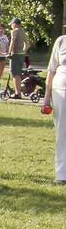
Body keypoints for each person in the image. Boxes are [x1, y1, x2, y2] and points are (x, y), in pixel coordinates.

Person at [45, 30, 66, 184]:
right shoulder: (61, 41)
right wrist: (46, 98)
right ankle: (62, 175)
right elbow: (51, 70)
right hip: (61, 90)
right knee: (62, 132)